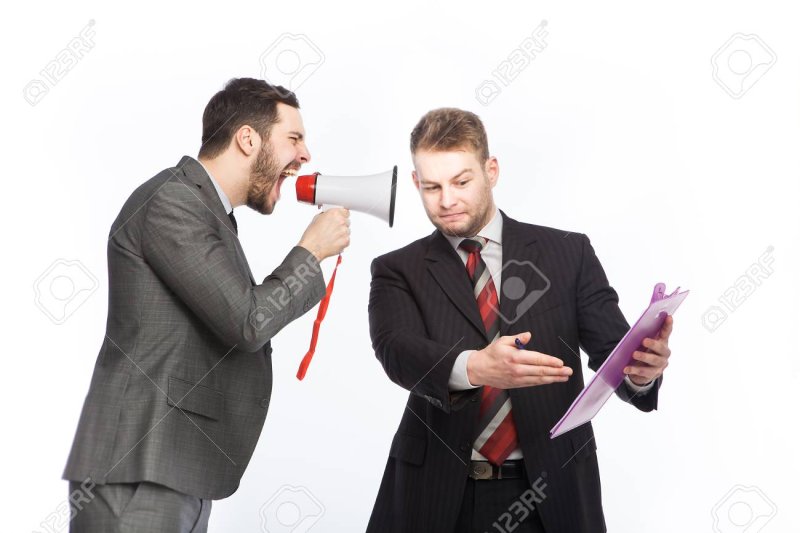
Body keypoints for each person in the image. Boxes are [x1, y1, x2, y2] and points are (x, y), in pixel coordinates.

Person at [62, 78, 350, 532]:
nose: (305, 155)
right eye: (294, 138)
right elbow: (248, 321)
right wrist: (309, 254)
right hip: (141, 467)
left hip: (171, 470)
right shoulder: (172, 201)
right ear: (248, 138)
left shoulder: (208, 212)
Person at [367, 108, 673, 533]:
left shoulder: (568, 253)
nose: (447, 200)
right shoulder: (398, 268)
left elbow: (614, 354)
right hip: (439, 493)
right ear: (417, 183)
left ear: (491, 171)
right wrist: (476, 367)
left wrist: (642, 371)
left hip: (552, 490)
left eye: (461, 181)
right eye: (432, 186)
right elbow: (396, 351)